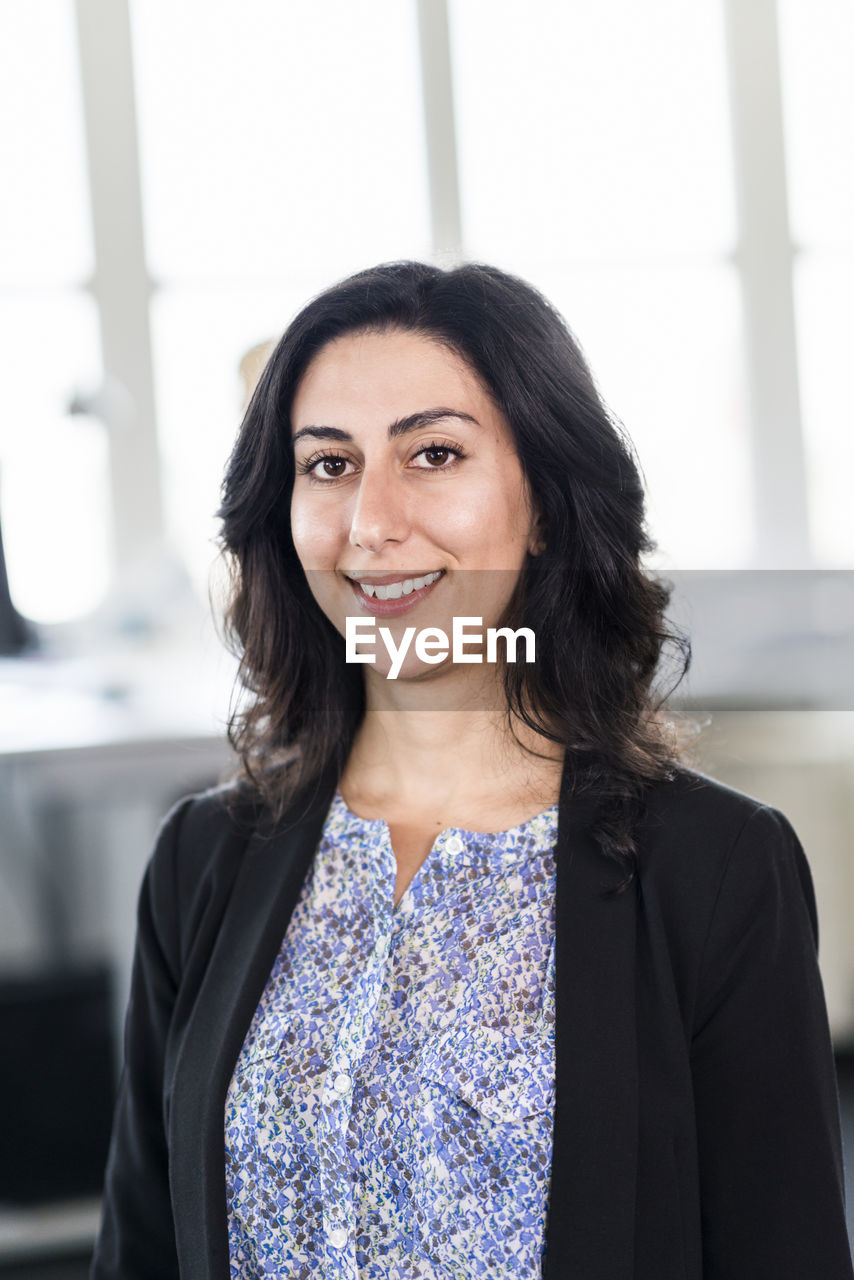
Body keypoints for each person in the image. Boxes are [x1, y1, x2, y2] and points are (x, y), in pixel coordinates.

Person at [91, 262, 853, 1280]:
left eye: (434, 452)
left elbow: (781, 1250)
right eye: (327, 464)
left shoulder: (713, 867)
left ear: (542, 502)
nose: (371, 520)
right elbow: (141, 1248)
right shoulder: (204, 857)